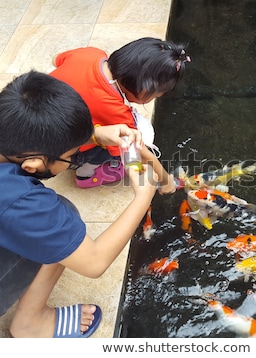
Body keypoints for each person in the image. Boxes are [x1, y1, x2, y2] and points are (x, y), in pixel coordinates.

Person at [0, 71, 158, 338]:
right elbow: (94, 263)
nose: (75, 159)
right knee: (63, 221)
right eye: (73, 156)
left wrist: (94, 135)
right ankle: (30, 324)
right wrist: (143, 197)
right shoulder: (19, 200)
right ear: (33, 165)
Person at [50, 37, 191, 191]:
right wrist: (166, 181)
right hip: (59, 153)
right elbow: (139, 154)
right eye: (156, 94)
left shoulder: (91, 54)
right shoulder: (116, 112)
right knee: (130, 140)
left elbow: (55, 60)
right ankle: (86, 173)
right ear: (144, 89)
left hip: (38, 119)